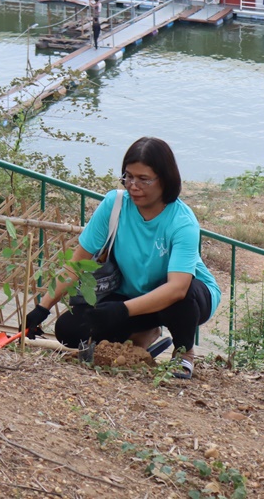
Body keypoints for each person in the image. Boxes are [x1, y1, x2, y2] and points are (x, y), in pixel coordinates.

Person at [24, 137, 221, 379]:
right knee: (70, 329)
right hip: (131, 295)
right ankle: (144, 334)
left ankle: (184, 352)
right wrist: (42, 308)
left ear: (165, 179)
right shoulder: (114, 205)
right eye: (128, 177)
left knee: (182, 297)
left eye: (144, 179)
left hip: (185, 299)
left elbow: (177, 288)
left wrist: (121, 311)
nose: (133, 186)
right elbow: (77, 263)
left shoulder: (182, 221)